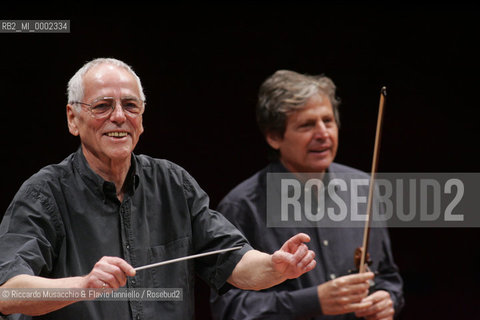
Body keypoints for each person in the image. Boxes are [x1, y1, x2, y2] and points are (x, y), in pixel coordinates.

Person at [0, 59, 317, 320]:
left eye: (130, 105)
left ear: (142, 116)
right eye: (102, 106)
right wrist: (83, 285)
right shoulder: (45, 193)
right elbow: (8, 291)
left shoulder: (173, 183)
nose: (119, 116)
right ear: (73, 118)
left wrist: (274, 267)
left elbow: (235, 263)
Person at [210, 70, 404, 319]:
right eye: (307, 125)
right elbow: (230, 308)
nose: (323, 133)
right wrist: (313, 301)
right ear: (274, 137)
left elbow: (388, 276)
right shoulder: (242, 207)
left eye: (328, 121)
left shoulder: (363, 188)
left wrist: (387, 299)